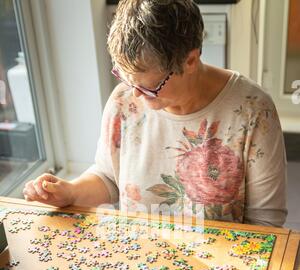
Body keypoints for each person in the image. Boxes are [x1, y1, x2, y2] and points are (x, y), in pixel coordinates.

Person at [23, 0, 287, 226]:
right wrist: (69, 192)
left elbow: (265, 221)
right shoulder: (123, 101)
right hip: (141, 266)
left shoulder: (253, 111)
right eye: (126, 79)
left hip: (221, 268)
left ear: (190, 61)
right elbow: (108, 178)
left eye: (150, 87)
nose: (135, 95)